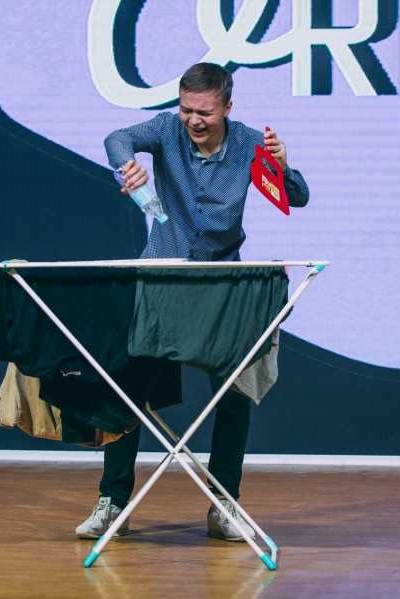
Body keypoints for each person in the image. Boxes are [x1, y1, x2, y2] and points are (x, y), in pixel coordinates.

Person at [75, 62, 309, 542]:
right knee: (126, 389)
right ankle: (113, 503)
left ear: (227, 107)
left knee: (234, 394)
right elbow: (117, 138)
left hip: (223, 286)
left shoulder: (250, 143)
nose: (194, 120)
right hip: (161, 280)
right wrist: (128, 166)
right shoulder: (166, 129)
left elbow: (297, 198)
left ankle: (224, 505)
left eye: (205, 112)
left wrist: (284, 167)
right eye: (187, 110)